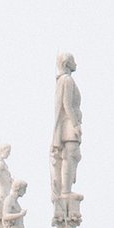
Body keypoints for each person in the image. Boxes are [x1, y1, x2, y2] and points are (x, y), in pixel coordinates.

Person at [51, 53, 82, 199]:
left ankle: (66, 189)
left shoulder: (62, 80)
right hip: (69, 125)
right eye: (73, 60)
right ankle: (66, 191)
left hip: (68, 124)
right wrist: (75, 125)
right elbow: (67, 105)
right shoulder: (67, 80)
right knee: (70, 156)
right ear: (67, 63)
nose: (76, 63)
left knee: (72, 156)